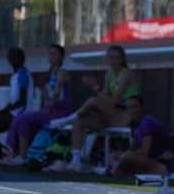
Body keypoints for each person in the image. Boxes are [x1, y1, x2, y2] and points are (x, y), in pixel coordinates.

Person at [45, 45, 139, 173]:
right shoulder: (109, 73)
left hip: (125, 117)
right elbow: (105, 96)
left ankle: (67, 120)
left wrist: (95, 87)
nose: (114, 61)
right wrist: (97, 91)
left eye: (117, 58)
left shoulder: (126, 74)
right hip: (110, 114)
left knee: (92, 100)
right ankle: (76, 161)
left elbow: (112, 101)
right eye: (111, 58)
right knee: (80, 122)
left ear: (122, 59)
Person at [1, 44, 73, 165]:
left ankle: (17, 154)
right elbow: (47, 98)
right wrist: (45, 98)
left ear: (61, 57)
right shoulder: (49, 74)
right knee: (20, 119)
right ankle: (15, 153)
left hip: (61, 112)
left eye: (54, 54)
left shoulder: (62, 72)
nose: (51, 57)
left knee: (23, 118)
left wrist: (48, 101)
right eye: (50, 54)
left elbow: (56, 93)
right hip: (50, 111)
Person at [109, 96, 169, 178]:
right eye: (129, 107)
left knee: (126, 156)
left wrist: (125, 156)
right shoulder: (133, 124)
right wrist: (122, 155)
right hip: (145, 160)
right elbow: (133, 147)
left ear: (142, 108)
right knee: (114, 155)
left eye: (135, 107)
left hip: (159, 161)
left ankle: (119, 172)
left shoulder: (147, 121)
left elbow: (145, 151)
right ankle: (125, 172)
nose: (132, 110)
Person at [0, 48, 31, 141]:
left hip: (19, 115)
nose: (10, 60)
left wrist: (4, 111)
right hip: (14, 113)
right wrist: (1, 111)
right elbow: (15, 100)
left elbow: (22, 101)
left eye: (12, 57)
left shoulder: (23, 75)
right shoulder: (17, 74)